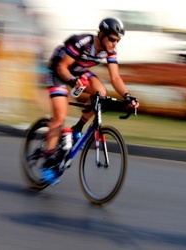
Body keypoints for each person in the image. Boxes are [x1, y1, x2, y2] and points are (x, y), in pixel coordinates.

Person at [42, 17, 139, 185]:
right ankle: (49, 160)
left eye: (118, 40)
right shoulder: (83, 42)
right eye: (112, 39)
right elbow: (62, 67)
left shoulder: (110, 50)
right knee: (60, 115)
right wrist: (72, 81)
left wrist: (128, 96)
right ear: (101, 34)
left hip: (79, 73)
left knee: (101, 93)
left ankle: (77, 128)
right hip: (59, 71)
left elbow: (115, 77)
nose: (114, 43)